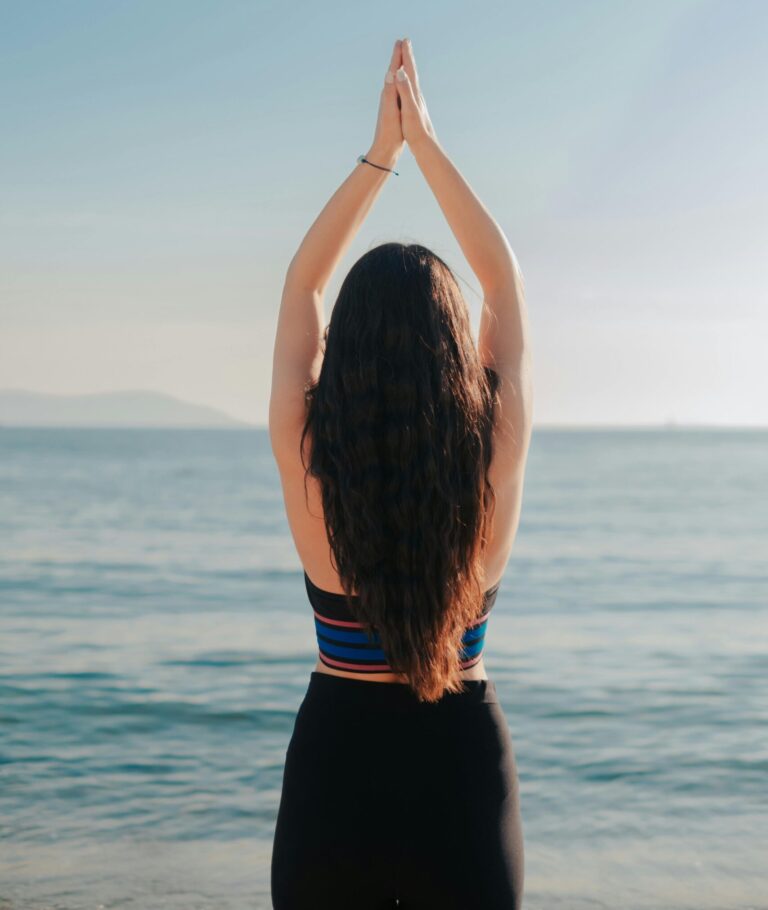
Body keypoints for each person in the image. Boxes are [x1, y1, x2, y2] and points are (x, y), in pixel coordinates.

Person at [268, 36, 532, 910]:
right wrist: (425, 143)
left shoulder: (311, 455)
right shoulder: (491, 456)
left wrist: (380, 156)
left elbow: (303, 285)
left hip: (336, 767)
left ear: (343, 358)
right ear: (454, 356)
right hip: (462, 766)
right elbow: (501, 279)